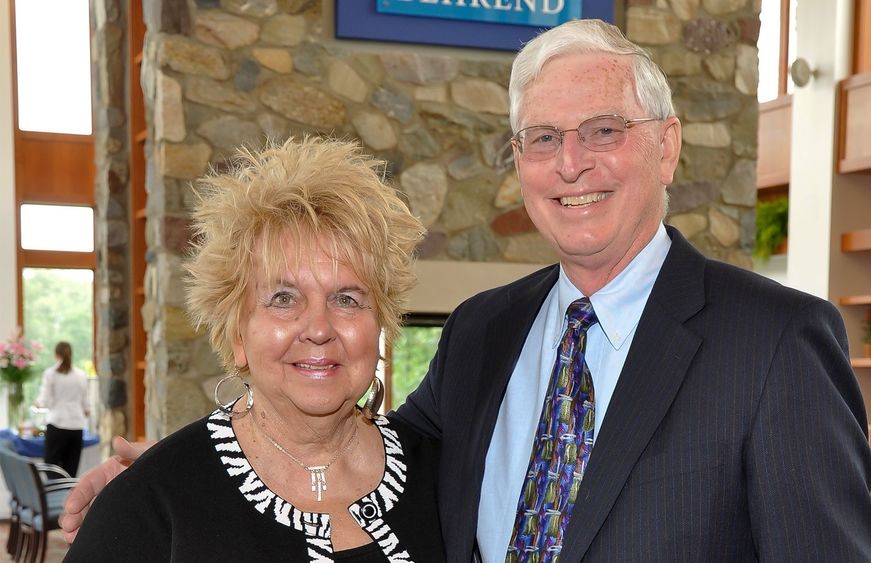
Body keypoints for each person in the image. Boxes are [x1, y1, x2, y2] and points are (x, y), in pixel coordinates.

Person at [63, 19, 871, 562]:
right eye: (543, 138)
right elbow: (356, 443)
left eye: (602, 131)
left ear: (664, 149)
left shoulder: (773, 342)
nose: (571, 163)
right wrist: (176, 466)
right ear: (517, 162)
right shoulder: (484, 329)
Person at [63, 136, 445, 561]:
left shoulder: (443, 477)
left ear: (380, 326)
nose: (318, 329)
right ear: (237, 335)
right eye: (283, 298)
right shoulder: (149, 505)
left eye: (347, 299)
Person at [34, 341, 90, 477]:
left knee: (51, 471)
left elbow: (45, 401)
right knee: (70, 474)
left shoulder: (51, 374)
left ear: (56, 355)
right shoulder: (81, 375)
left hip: (57, 425)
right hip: (76, 427)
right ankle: (68, 498)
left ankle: (55, 498)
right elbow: (86, 406)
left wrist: (37, 403)